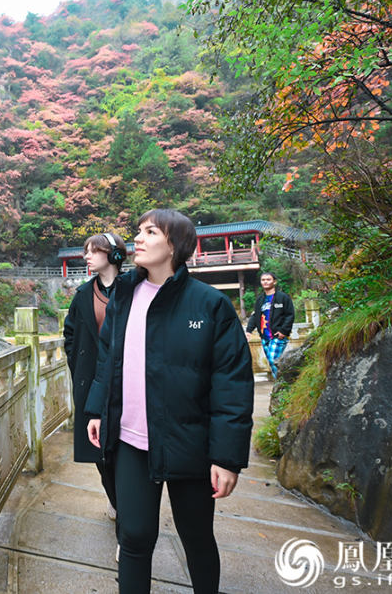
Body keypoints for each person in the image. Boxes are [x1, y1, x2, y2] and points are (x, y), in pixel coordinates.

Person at [85, 209, 254, 594]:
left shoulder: (210, 305)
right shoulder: (124, 295)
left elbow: (231, 383)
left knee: (195, 536)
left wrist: (227, 457)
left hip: (188, 442)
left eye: (149, 232)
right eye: (138, 231)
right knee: (135, 537)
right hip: (131, 440)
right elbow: (107, 358)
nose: (138, 239)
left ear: (175, 245)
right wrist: (96, 409)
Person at [63, 233, 127, 526]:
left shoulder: (134, 289)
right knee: (98, 451)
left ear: (113, 255)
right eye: (85, 251)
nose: (86, 256)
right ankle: (115, 499)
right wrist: (78, 367)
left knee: (124, 449)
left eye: (93, 251)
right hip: (91, 383)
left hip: (128, 383)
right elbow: (70, 335)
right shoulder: (82, 295)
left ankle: (127, 506)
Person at [244, 271, 295, 379]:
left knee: (273, 359)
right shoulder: (260, 300)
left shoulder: (283, 298)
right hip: (265, 336)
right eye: (263, 280)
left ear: (274, 282)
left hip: (278, 335)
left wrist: (284, 331)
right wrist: (249, 331)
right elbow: (255, 316)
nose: (265, 282)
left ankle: (284, 385)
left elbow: (290, 315)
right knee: (272, 363)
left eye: (268, 279)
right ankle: (280, 386)